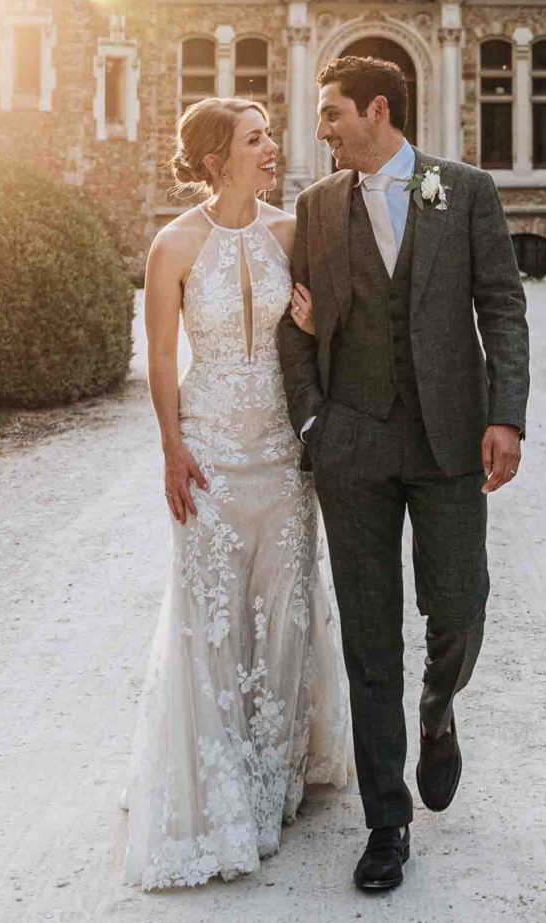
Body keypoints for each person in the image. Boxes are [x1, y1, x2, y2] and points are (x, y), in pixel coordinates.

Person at [277, 56, 529, 893]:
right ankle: (387, 821)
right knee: (368, 633)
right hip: (353, 443)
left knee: (460, 603)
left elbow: (501, 304)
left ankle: (439, 705)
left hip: (449, 436)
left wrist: (506, 414)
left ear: (377, 110)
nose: (321, 130)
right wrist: (313, 418)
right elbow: (294, 324)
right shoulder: (315, 209)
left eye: (332, 113)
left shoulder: (465, 190)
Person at [120, 98, 353, 888]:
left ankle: (277, 770)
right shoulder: (173, 245)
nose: (271, 148)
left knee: (284, 610)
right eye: (255, 139)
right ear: (218, 156)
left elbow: (326, 334)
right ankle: (220, 782)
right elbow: (158, 359)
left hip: (282, 450)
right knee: (213, 616)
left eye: (268, 136)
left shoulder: (293, 231)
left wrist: (319, 325)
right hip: (212, 449)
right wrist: (171, 448)